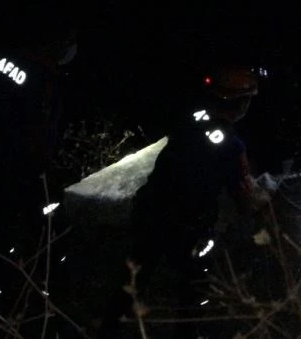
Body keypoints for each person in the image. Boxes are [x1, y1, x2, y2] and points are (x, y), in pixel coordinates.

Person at [100, 63, 271, 338]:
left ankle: (108, 328)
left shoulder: (189, 119)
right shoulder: (231, 146)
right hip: (189, 225)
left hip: (151, 209)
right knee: (193, 286)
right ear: (242, 104)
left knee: (135, 275)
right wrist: (265, 199)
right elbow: (244, 201)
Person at [0, 33, 78, 330]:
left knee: (3, 231)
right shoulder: (42, 77)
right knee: (43, 229)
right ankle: (41, 296)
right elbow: (36, 129)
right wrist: (42, 167)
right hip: (23, 170)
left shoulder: (8, 62)